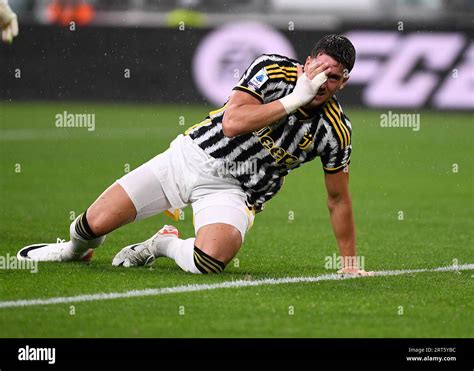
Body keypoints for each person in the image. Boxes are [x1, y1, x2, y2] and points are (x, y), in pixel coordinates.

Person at [18, 34, 373, 276]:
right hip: (189, 157)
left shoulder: (334, 130)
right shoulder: (272, 69)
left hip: (235, 192)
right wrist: (295, 99)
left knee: (210, 261)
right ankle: (72, 250)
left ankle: (163, 243)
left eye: (334, 77)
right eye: (320, 69)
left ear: (343, 83)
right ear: (307, 62)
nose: (323, 81)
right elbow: (233, 123)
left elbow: (338, 199)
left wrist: (349, 262)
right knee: (91, 224)